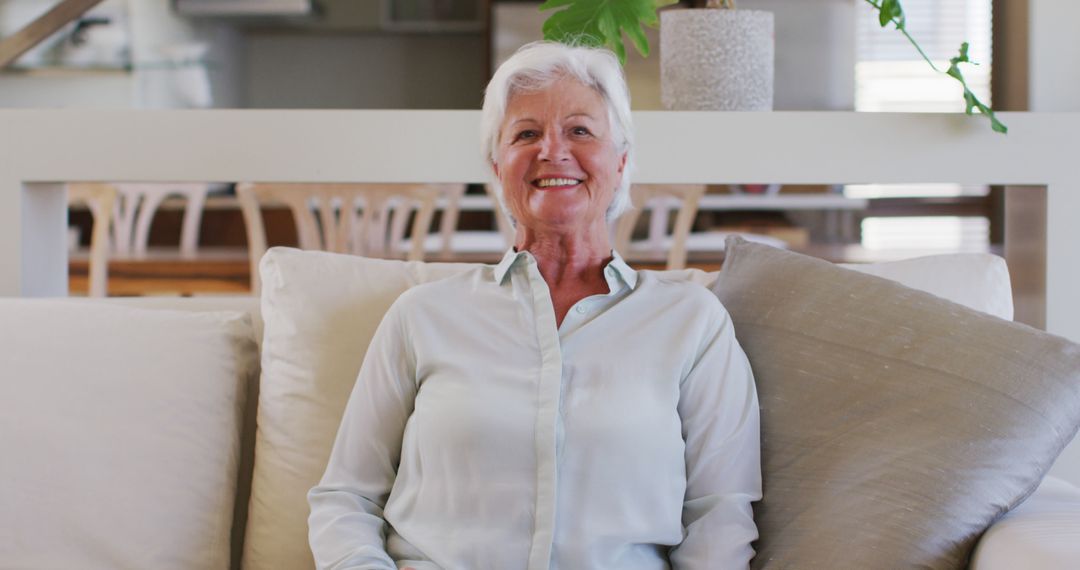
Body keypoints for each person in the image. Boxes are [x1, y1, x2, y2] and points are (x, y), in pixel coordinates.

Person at [308, 41, 761, 569]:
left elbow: (720, 516)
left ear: (620, 161)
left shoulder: (691, 321)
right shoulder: (421, 316)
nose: (553, 150)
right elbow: (346, 497)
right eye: (526, 134)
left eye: (580, 130)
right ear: (497, 167)